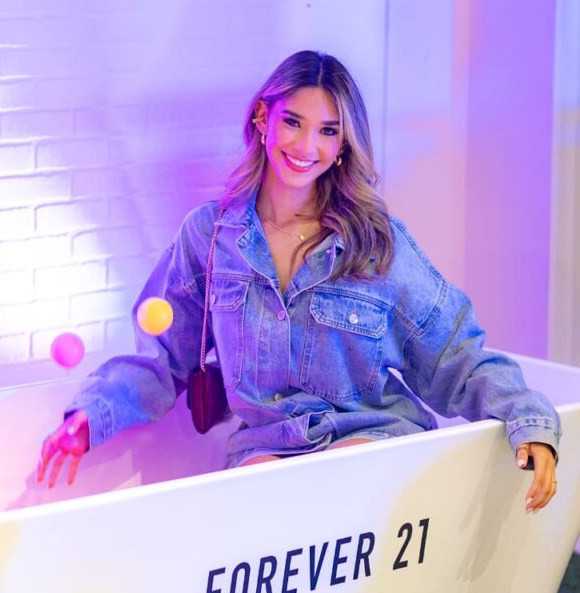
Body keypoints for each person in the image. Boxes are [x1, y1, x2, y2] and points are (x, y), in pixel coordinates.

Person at [37, 50, 559, 512]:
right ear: (263, 118)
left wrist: (527, 419)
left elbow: (453, 355)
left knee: (332, 480)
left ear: (343, 144)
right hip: (267, 448)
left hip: (370, 437)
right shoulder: (209, 237)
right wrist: (91, 416)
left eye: (328, 131)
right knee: (258, 499)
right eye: (293, 122)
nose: (307, 144)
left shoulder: (375, 242)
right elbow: (163, 356)